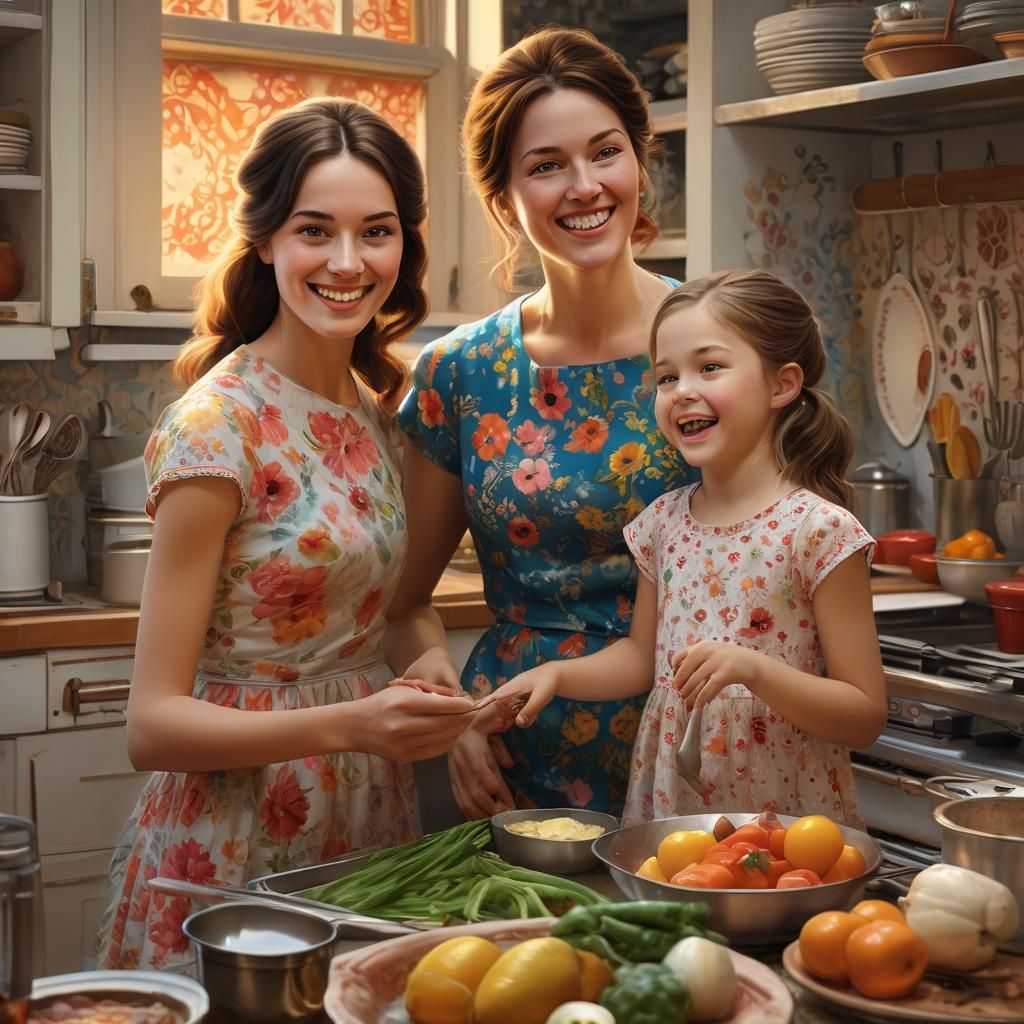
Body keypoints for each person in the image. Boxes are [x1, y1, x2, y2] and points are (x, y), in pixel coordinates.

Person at [96, 97, 476, 971]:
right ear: (266, 241)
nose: (348, 262)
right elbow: (151, 726)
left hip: (363, 822)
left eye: (375, 232)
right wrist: (353, 725)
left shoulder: (373, 411)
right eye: (315, 231)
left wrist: (429, 673)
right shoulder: (217, 428)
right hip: (234, 835)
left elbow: (380, 614)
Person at [385, 27, 695, 820]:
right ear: (503, 199)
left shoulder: (720, 343)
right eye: (547, 165)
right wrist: (450, 714)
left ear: (639, 164)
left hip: (700, 743)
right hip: (517, 760)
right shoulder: (459, 372)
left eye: (606, 152)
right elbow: (405, 604)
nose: (585, 186)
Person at [499, 269, 887, 826]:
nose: (681, 390)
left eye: (709, 367)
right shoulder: (663, 524)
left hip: (784, 822)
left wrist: (754, 671)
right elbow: (641, 660)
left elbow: (865, 714)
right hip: (672, 813)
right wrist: (557, 675)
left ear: (782, 385)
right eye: (666, 376)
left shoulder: (819, 532)